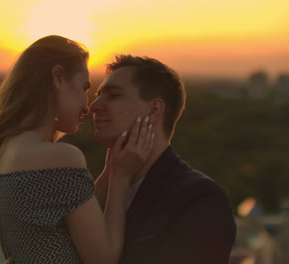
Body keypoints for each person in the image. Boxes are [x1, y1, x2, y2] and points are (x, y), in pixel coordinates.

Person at [0, 35, 155, 264]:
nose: (86, 107)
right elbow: (103, 259)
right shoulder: (61, 157)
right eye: (83, 88)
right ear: (58, 78)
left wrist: (110, 168)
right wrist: (120, 178)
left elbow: (69, 213)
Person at [91, 55, 237, 263]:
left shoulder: (201, 198)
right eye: (97, 95)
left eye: (113, 96)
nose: (94, 106)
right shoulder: (103, 185)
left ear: (154, 110)